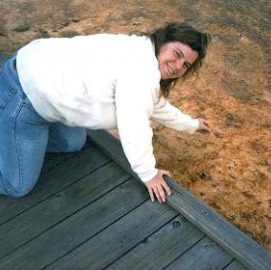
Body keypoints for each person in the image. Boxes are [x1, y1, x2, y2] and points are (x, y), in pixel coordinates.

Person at [0, 22, 212, 203]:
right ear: (163, 41)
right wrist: (149, 174)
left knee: (72, 142)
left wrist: (191, 125)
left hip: (43, 82)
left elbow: (155, 105)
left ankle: (11, 138)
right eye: (177, 54)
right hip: (23, 95)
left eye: (185, 65)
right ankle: (8, 129)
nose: (177, 67)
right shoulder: (142, 71)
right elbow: (134, 126)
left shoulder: (143, 52)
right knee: (17, 185)